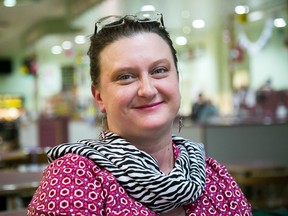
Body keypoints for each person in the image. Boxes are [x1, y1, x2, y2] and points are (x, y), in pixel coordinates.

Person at [28, 11, 252, 215]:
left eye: (160, 71)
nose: (148, 90)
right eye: (126, 76)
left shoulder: (212, 175)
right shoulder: (74, 179)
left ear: (177, 80)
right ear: (99, 97)